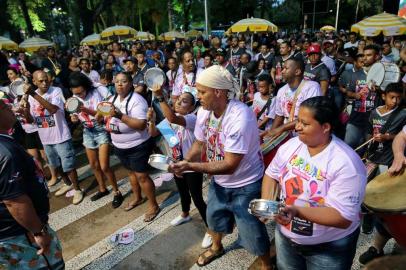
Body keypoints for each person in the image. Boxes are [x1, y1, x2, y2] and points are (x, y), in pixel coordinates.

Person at [170, 65, 271, 269]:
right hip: (219, 180)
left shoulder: (240, 116)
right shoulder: (204, 113)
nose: (198, 97)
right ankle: (217, 247)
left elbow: (230, 165)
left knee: (251, 230)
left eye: (202, 92)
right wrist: (183, 163)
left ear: (218, 91)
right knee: (214, 218)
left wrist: (191, 166)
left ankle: (266, 263)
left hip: (246, 184)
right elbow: (199, 143)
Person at [261, 96, 367, 270]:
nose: (297, 127)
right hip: (286, 238)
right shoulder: (291, 146)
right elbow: (271, 175)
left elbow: (343, 217)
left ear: (325, 127)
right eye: (297, 120)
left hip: (328, 248)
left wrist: (296, 211)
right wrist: (268, 204)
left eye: (305, 123)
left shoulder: (346, 164)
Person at [0, 99, 65, 269]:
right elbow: (14, 201)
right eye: (5, 106)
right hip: (21, 233)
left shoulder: (6, 141)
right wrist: (38, 232)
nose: (10, 108)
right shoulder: (5, 152)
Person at [147, 86, 212, 248]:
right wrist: (151, 120)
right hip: (176, 164)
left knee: (197, 198)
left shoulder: (191, 119)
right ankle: (185, 214)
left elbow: (173, 119)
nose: (178, 103)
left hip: (191, 166)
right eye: (178, 100)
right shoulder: (172, 118)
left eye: (184, 101)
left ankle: (210, 229)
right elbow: (154, 133)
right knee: (182, 192)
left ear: (191, 107)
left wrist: (160, 97)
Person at [100, 72, 160, 221]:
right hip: (119, 146)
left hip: (137, 145)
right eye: (117, 81)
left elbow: (140, 125)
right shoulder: (111, 99)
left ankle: (153, 205)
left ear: (131, 84)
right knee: (131, 174)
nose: (119, 84)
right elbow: (102, 118)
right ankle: (138, 197)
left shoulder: (137, 100)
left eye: (124, 81)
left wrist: (119, 115)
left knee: (142, 176)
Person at [25, 70, 84, 205]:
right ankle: (67, 183)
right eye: (40, 81)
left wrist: (32, 94)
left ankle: (77, 189)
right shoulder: (30, 97)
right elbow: (30, 120)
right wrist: (25, 109)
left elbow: (52, 109)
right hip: (46, 138)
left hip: (61, 136)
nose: (45, 82)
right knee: (55, 165)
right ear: (34, 82)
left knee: (68, 166)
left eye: (46, 79)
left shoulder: (56, 91)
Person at [69, 72, 124, 208]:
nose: (80, 95)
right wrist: (74, 118)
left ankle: (117, 192)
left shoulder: (98, 92)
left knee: (104, 165)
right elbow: (74, 115)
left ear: (86, 86)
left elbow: (104, 114)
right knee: (93, 165)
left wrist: (86, 110)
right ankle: (102, 189)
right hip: (87, 130)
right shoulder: (73, 98)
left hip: (101, 130)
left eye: (81, 92)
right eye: (76, 93)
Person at [262, 57, 322, 140]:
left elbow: (309, 117)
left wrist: (281, 128)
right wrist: (271, 133)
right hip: (288, 136)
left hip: (306, 135)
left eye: (286, 68)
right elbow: (279, 116)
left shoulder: (312, 87)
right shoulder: (281, 90)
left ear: (297, 72)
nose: (282, 71)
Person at [344, 45, 380, 148]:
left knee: (367, 150)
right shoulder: (355, 75)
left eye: (369, 55)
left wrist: (380, 89)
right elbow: (348, 92)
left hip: (373, 120)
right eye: (364, 55)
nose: (365, 58)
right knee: (349, 147)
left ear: (377, 56)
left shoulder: (383, 75)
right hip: (356, 118)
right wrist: (354, 94)